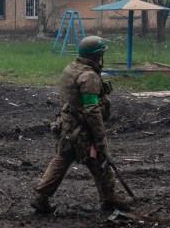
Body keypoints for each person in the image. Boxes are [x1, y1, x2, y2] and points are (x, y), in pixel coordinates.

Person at [31, 36, 133, 214]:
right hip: (82, 131)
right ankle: (110, 199)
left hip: (66, 127)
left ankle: (41, 197)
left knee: (61, 161)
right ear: (98, 55)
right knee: (100, 162)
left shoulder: (71, 69)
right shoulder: (89, 77)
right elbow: (92, 110)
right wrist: (100, 138)